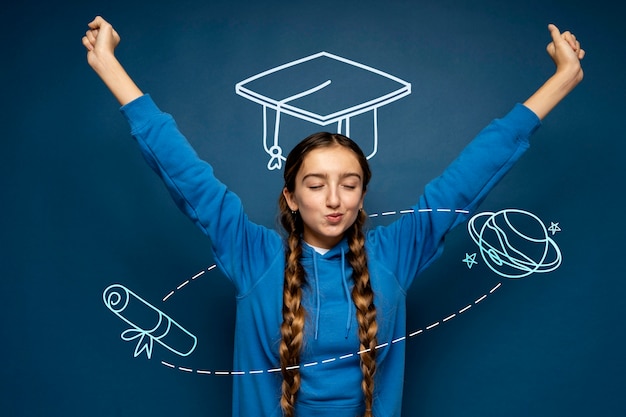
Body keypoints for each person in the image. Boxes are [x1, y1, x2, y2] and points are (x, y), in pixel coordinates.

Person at [82, 16, 584, 417]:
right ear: (291, 198)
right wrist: (107, 65)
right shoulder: (252, 254)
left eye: (349, 184)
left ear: (363, 197)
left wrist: (561, 81)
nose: (334, 198)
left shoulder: (393, 254)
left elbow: (471, 174)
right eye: (316, 185)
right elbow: (181, 169)